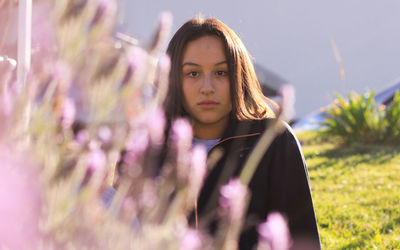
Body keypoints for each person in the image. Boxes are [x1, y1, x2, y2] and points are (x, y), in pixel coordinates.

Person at [163, 17, 321, 249]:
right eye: (193, 74)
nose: (207, 87)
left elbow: (301, 237)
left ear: (239, 76)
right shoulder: (149, 144)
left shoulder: (273, 141)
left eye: (221, 73)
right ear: (174, 78)